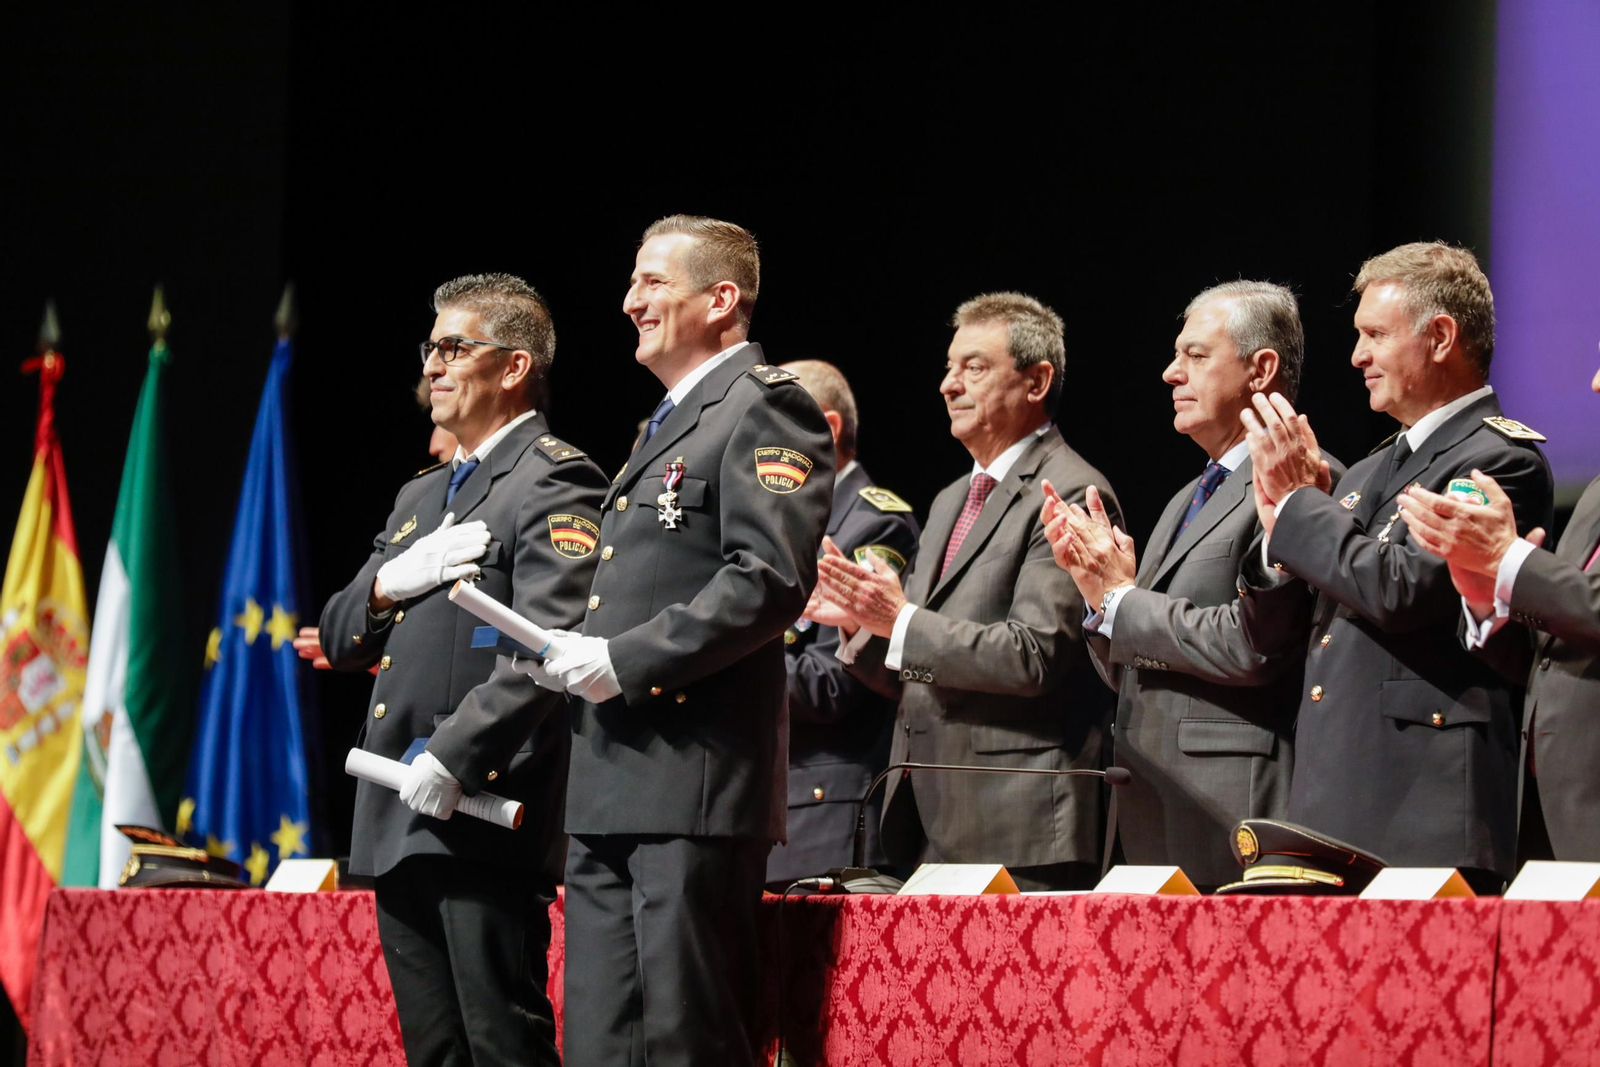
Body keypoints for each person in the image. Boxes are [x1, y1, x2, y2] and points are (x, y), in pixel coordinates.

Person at [528, 216, 833, 1066]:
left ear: (721, 298)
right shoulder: (667, 420)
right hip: (610, 779)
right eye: (634, 282)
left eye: (654, 282)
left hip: (691, 783)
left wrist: (623, 658)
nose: (632, 301)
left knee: (683, 1041)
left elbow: (767, 579)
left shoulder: (766, 405)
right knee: (596, 1043)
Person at [318, 274, 607, 1065]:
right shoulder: (421, 495)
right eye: (431, 348)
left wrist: (453, 753)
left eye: (454, 347)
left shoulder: (555, 478)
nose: (434, 366)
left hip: (476, 806)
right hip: (392, 806)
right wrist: (387, 582)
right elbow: (342, 635)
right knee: (435, 1051)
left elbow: (547, 645)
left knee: (500, 1042)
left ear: (514, 367)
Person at [1239, 241, 1553, 892]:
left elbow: (1400, 588)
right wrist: (1277, 544)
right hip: (1333, 795)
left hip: (1425, 800)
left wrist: (1300, 505)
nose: (1357, 356)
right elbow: (1306, 619)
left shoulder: (1498, 460)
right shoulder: (1369, 469)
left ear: (1440, 337)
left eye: (1375, 334)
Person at [815, 292, 1121, 891]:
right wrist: (862, 627)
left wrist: (899, 620)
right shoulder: (952, 498)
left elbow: (1035, 656)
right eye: (950, 367)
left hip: (1022, 825)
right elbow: (921, 667)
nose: (948, 386)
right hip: (932, 818)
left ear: (1036, 382)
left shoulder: (1072, 491)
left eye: (974, 368)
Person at [1043, 281, 1331, 890]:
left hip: (1235, 812)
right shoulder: (1185, 498)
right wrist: (1102, 599)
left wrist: (1126, 602)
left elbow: (1254, 645)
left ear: (1261, 370)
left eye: (1196, 356)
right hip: (1155, 804)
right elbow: (1141, 667)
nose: (1171, 372)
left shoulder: (1305, 483)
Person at [1398, 350, 1600, 863]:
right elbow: (1555, 652)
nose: (1595, 383)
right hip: (1547, 805)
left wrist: (1507, 556)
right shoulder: (1597, 492)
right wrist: (1487, 603)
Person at [766, 359, 921, 887]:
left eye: (772, 424)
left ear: (827, 429)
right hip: (770, 809)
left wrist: (713, 662)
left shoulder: (875, 522)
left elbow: (834, 683)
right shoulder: (781, 519)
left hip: (825, 816)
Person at [294, 379, 459, 671]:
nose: (434, 445)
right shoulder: (417, 496)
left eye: (444, 426)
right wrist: (384, 591)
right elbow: (340, 629)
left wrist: (395, 661)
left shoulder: (536, 488)